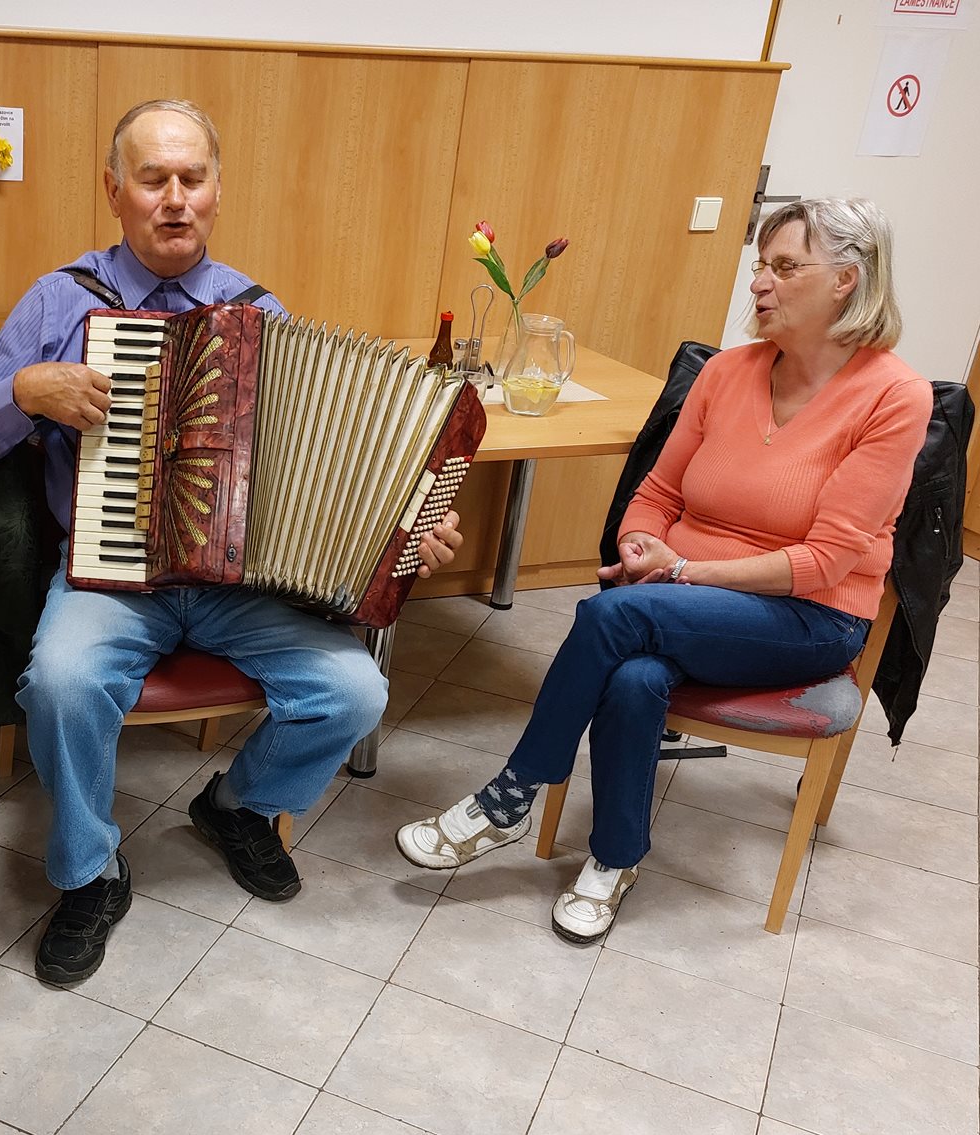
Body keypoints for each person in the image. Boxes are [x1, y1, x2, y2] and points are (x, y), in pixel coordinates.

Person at [0, 97, 463, 985]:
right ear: (115, 192)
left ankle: (238, 806)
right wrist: (26, 391)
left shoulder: (260, 313)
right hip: (111, 575)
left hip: (238, 584)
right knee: (62, 684)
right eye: (154, 179)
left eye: (193, 178)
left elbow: (325, 462)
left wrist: (411, 524)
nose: (175, 198)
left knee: (353, 692)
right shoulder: (62, 299)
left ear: (218, 190)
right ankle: (89, 872)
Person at [397, 197, 931, 943]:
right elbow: (654, 495)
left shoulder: (895, 397)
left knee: (613, 614)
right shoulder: (728, 372)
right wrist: (644, 547)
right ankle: (614, 861)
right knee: (634, 676)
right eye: (761, 266)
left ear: (847, 279)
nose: (760, 283)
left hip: (809, 617)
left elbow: (825, 562)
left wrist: (680, 574)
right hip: (681, 599)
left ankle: (512, 793)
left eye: (785, 267)